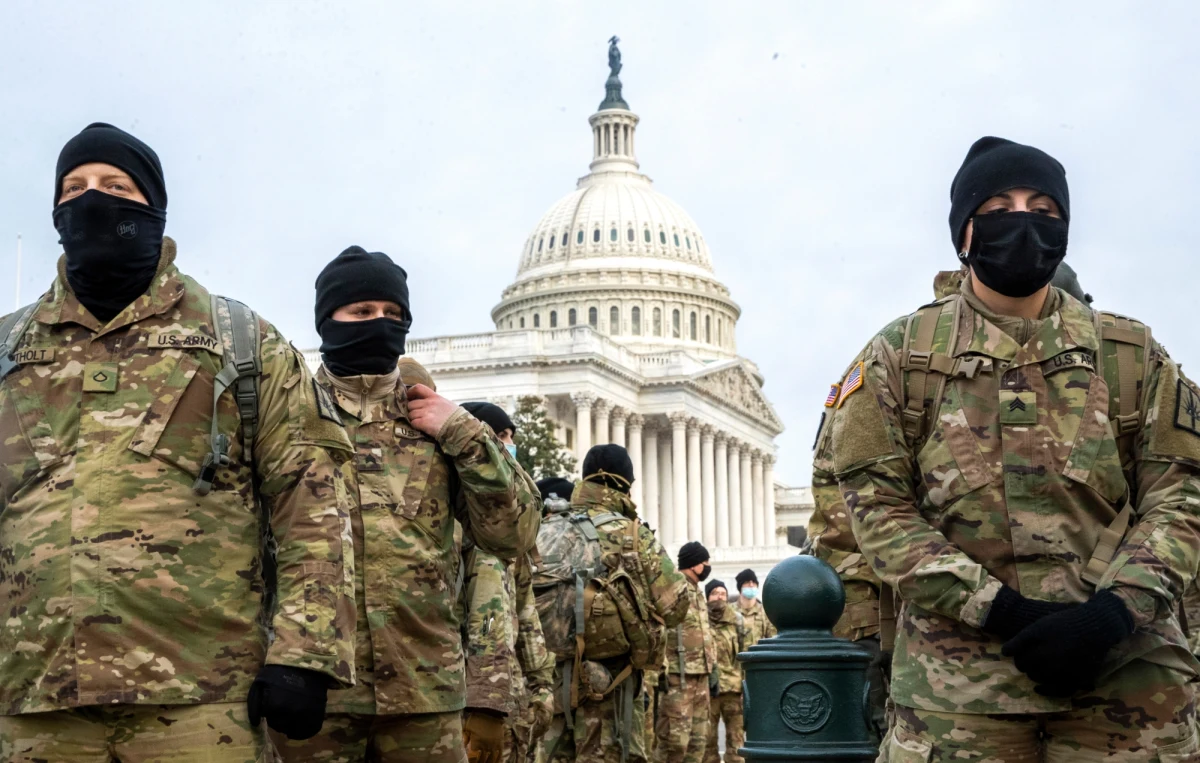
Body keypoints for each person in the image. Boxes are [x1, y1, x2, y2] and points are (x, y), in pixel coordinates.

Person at [828, 136, 1200, 760]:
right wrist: (999, 610)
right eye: (1000, 206)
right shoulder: (899, 356)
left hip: (1127, 689)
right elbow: (877, 509)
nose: (1024, 222)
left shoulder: (1133, 356)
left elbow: (1183, 495)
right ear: (965, 232)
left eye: (1044, 211)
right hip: (961, 694)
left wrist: (1113, 613)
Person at [0, 123, 357, 760]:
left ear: (154, 208)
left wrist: (306, 654)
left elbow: (313, 506)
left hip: (199, 697)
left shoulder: (240, 341)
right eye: (74, 189)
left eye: (115, 187)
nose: (92, 200)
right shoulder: (9, 351)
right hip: (35, 699)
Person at [272, 246, 541, 762]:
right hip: (315, 688)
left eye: (393, 314)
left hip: (424, 691)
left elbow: (513, 536)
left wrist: (466, 434)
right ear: (328, 319)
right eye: (362, 311)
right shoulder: (287, 413)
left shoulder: (440, 422)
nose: (379, 323)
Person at [541, 444, 689, 763]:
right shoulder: (632, 534)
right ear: (624, 484)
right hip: (611, 686)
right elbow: (676, 607)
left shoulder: (546, 527)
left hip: (549, 682)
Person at [457, 401, 554, 763]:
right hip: (477, 696)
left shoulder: (513, 526)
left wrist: (542, 685)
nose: (508, 444)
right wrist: (487, 702)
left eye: (511, 436)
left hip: (510, 693)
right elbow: (488, 618)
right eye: (500, 435)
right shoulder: (475, 519)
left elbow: (526, 615)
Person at [657, 541, 715, 763]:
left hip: (701, 675)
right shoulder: (674, 590)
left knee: (698, 742)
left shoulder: (697, 592)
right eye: (705, 562)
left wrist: (713, 667)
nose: (708, 566)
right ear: (693, 564)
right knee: (674, 743)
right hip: (678, 677)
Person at [703, 580, 745, 763]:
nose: (719, 597)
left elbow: (745, 655)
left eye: (723, 593)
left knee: (737, 744)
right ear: (707, 597)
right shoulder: (700, 620)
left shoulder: (737, 621)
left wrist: (746, 686)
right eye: (714, 593)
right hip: (706, 691)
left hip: (733, 691)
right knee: (707, 743)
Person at [732, 570, 775, 647]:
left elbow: (772, 638)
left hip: (758, 657)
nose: (751, 585)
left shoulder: (765, 611)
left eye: (754, 583)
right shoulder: (730, 611)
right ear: (740, 587)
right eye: (747, 582)